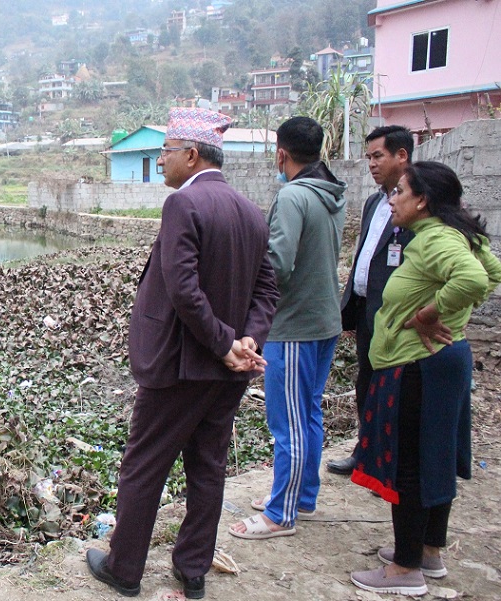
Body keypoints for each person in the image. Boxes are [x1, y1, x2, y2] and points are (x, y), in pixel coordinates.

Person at [86, 107, 279, 599]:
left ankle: (124, 568)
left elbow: (183, 289)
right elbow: (267, 289)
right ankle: (192, 569)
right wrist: (247, 341)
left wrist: (224, 345)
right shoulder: (250, 209)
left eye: (166, 152)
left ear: (191, 155)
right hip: (227, 372)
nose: (162, 161)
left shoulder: (184, 206)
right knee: (208, 467)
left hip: (179, 366)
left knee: (144, 465)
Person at [349, 161, 501, 596]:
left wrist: (430, 313)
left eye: (400, 192)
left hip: (417, 365)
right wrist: (453, 310)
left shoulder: (434, 239)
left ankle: (404, 570)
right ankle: (429, 552)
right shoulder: (452, 237)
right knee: (436, 455)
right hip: (442, 362)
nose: (392, 199)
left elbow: (473, 278)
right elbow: (491, 273)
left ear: (423, 202)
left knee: (410, 463)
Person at [229, 116, 347, 540]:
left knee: (287, 423)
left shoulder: (294, 196)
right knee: (309, 413)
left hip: (294, 326)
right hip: (325, 321)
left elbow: (277, 264)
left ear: (281, 153)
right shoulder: (332, 193)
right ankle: (302, 496)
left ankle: (281, 514)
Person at [327, 126, 415, 476]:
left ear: (402, 155)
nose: (372, 164)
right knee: (366, 380)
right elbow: (366, 253)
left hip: (400, 314)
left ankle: (391, 459)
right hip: (367, 309)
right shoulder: (374, 201)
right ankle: (366, 451)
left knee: (396, 384)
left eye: (378, 156)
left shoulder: (421, 200)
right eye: (369, 158)